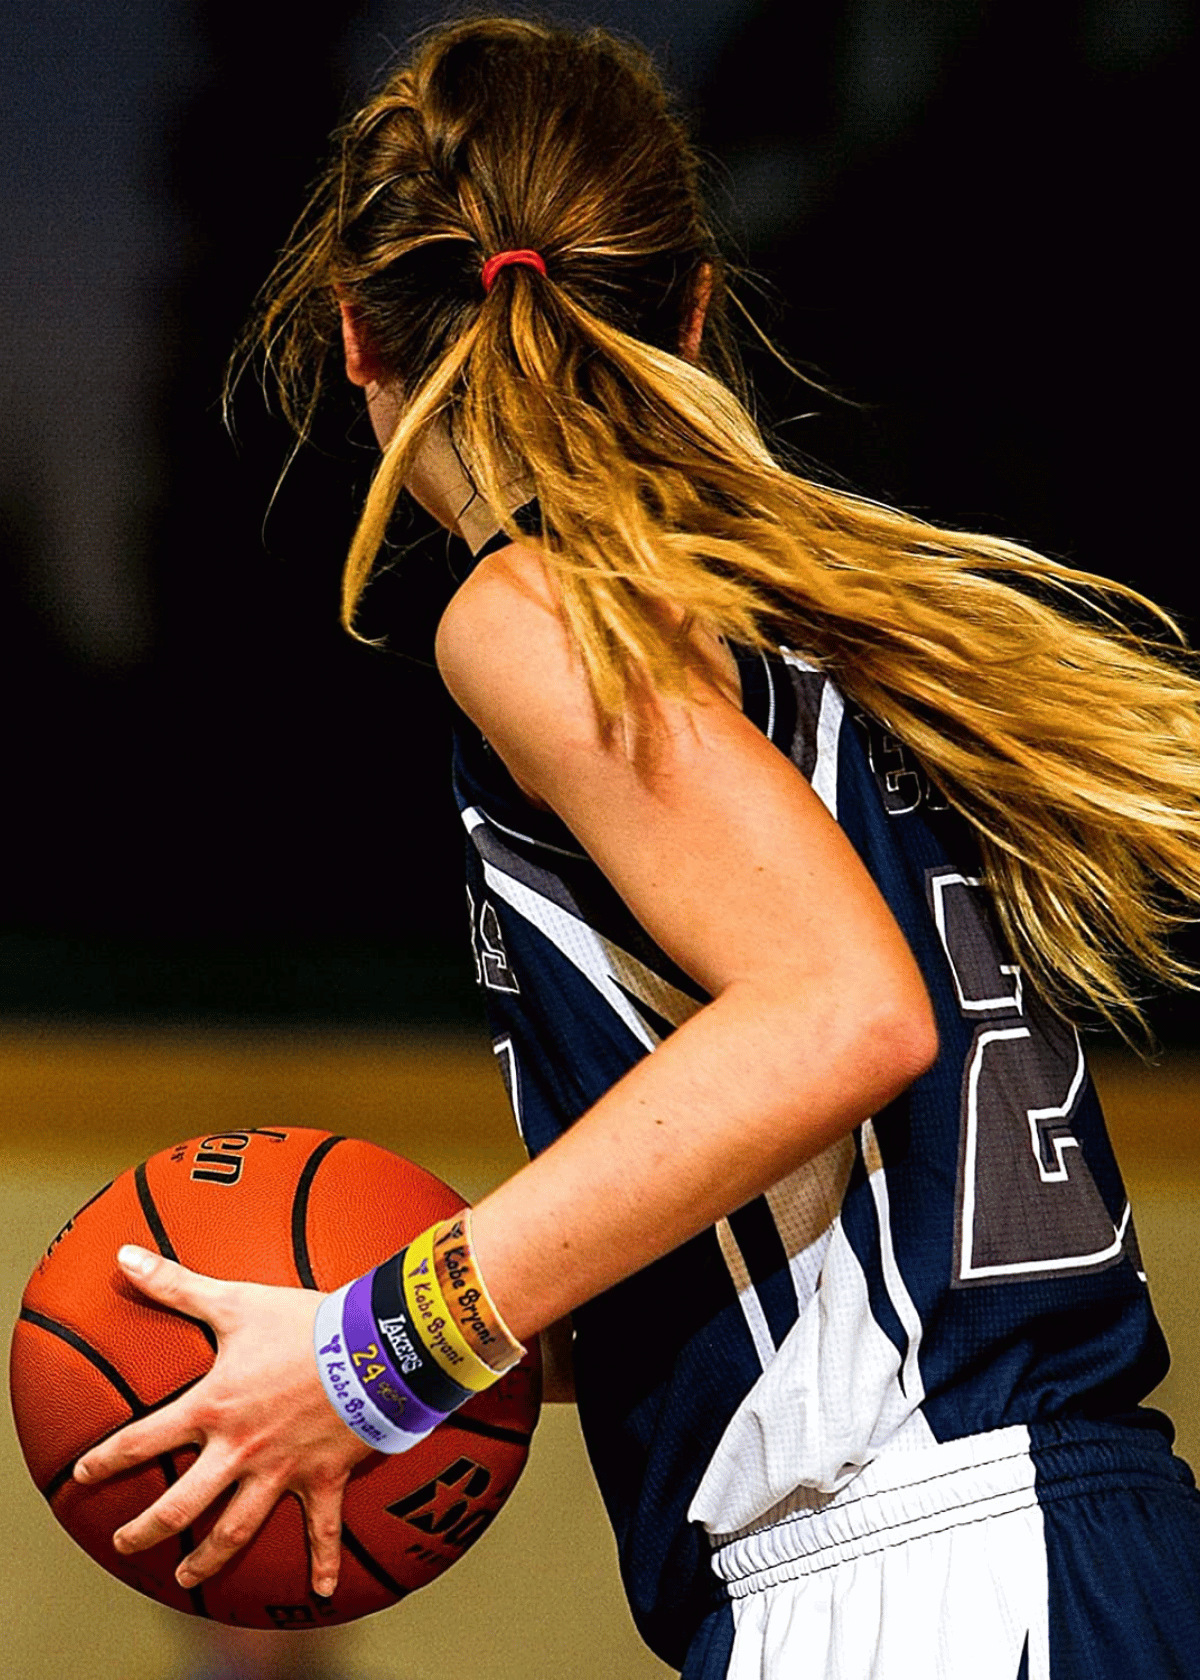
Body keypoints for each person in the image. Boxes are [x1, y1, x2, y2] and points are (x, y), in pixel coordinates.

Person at [74, 17, 1200, 1678]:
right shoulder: (800, 615)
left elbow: (838, 1014)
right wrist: (413, 1339)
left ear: (353, 345)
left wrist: (371, 1354)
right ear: (687, 314)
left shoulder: (534, 609)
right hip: (1078, 1541)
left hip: (919, 1576)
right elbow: (837, 1185)